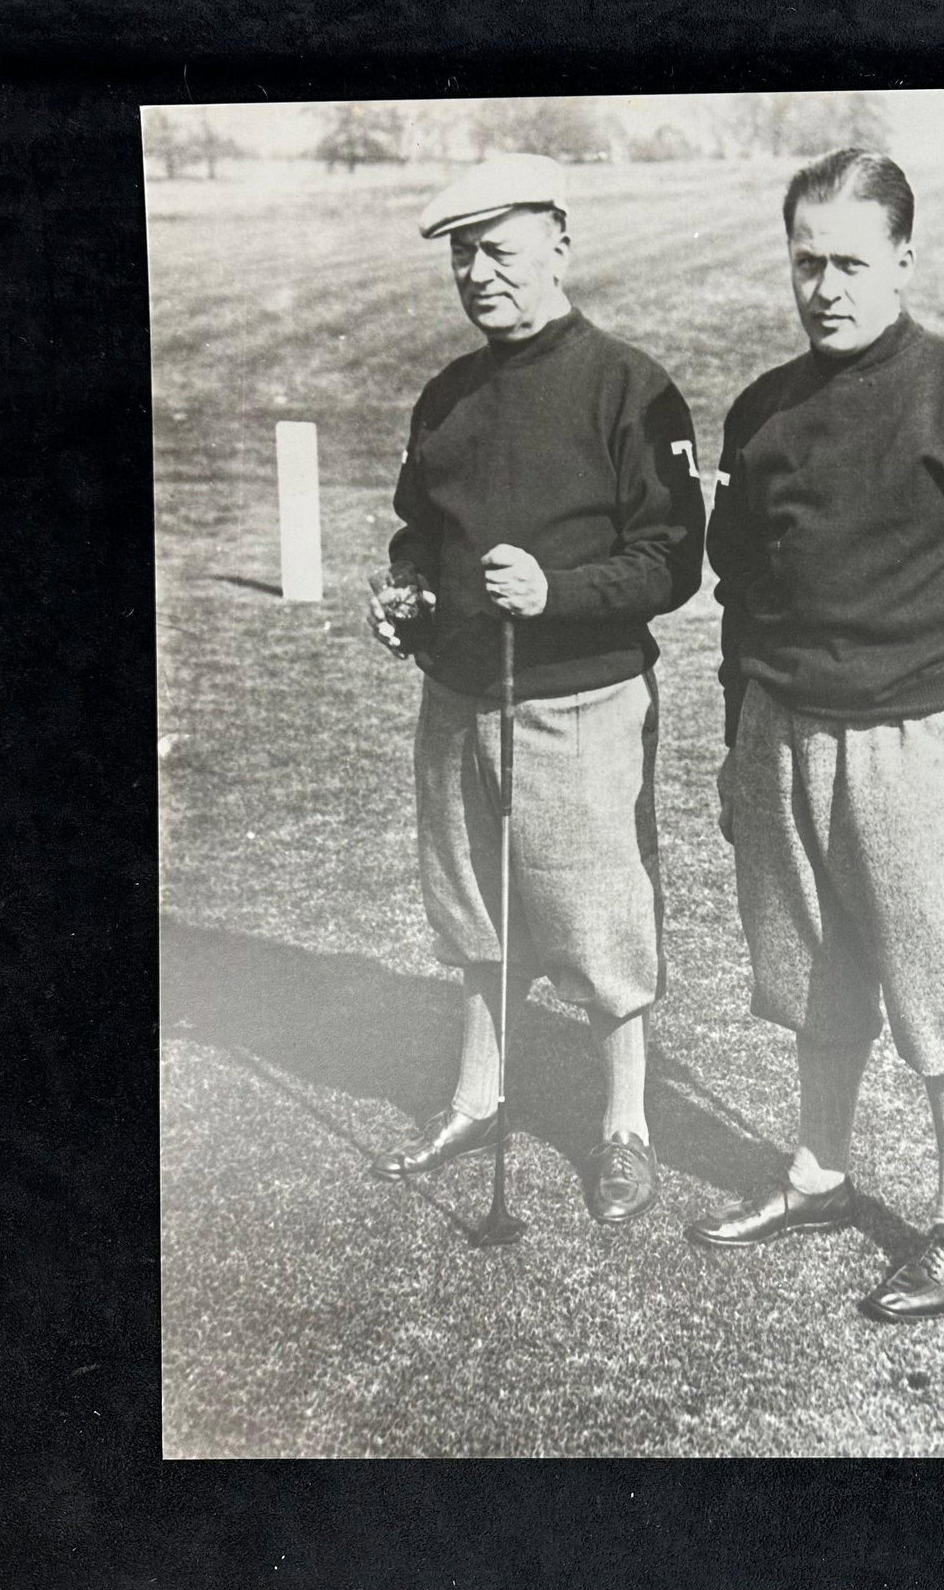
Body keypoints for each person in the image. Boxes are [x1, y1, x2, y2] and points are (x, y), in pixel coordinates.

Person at [686, 149, 944, 1319]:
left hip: (923, 737)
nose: (825, 286)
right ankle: (819, 1173)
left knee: (936, 990)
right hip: (783, 732)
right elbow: (742, 597)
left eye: (851, 262)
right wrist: (735, 740)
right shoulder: (762, 409)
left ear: (904, 259)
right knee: (812, 975)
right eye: (806, 262)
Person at [366, 154, 706, 1226]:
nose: (477, 273)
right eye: (461, 255)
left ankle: (624, 1128)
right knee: (473, 911)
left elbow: (672, 557)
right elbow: (420, 529)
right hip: (458, 695)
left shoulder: (629, 385)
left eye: (499, 249)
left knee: (598, 920)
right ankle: (477, 1099)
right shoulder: (446, 394)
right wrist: (409, 593)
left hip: (579, 696)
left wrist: (556, 590)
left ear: (560, 243)